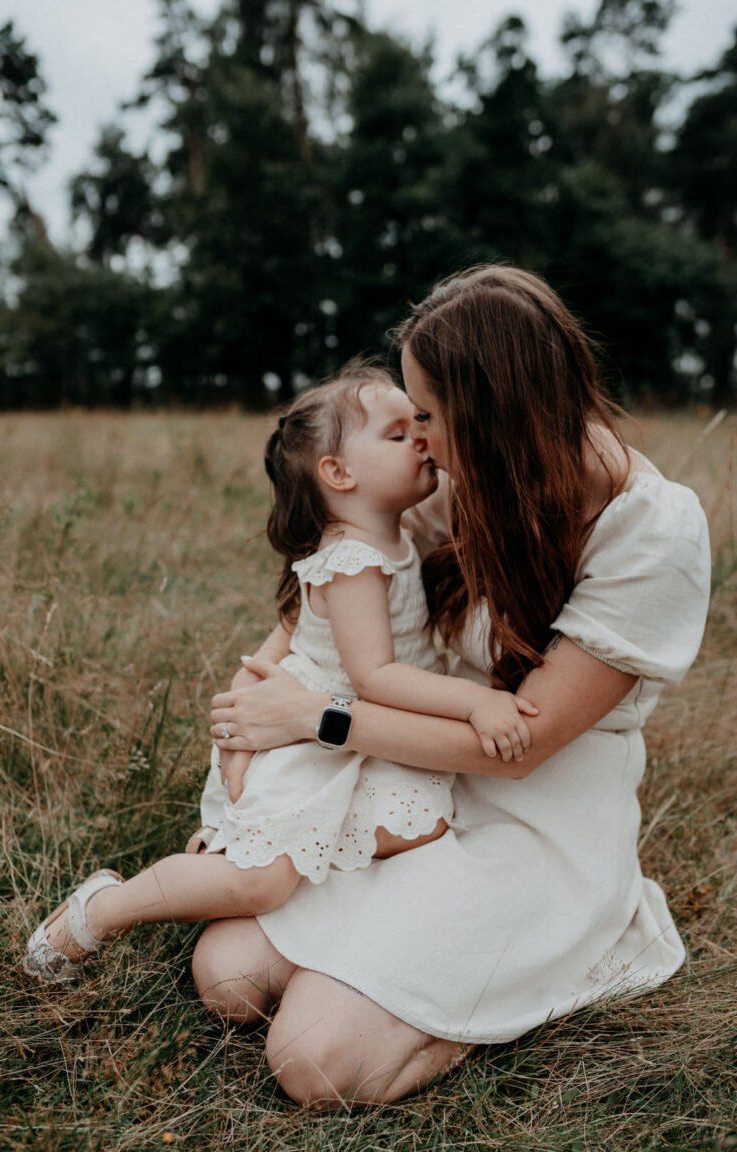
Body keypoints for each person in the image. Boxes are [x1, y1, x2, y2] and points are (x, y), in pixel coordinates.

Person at [196, 264, 711, 1109]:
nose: (418, 440)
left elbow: (519, 749)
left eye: (427, 416)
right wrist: (247, 735)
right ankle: (399, 965)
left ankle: (547, 966)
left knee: (315, 1062)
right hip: (410, 783)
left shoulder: (653, 530)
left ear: (493, 412)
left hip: (537, 814)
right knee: (228, 978)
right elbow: (336, 579)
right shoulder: (466, 482)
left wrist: (321, 719)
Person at [24, 363, 536, 985]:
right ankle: (105, 909)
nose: (422, 440)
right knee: (262, 880)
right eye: (398, 435)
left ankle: (227, 866)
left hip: (348, 733)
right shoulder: (352, 561)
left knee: (420, 821)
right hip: (309, 739)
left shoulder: (391, 538)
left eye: (418, 426)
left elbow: (289, 634)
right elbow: (375, 678)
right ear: (339, 474)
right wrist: (473, 702)